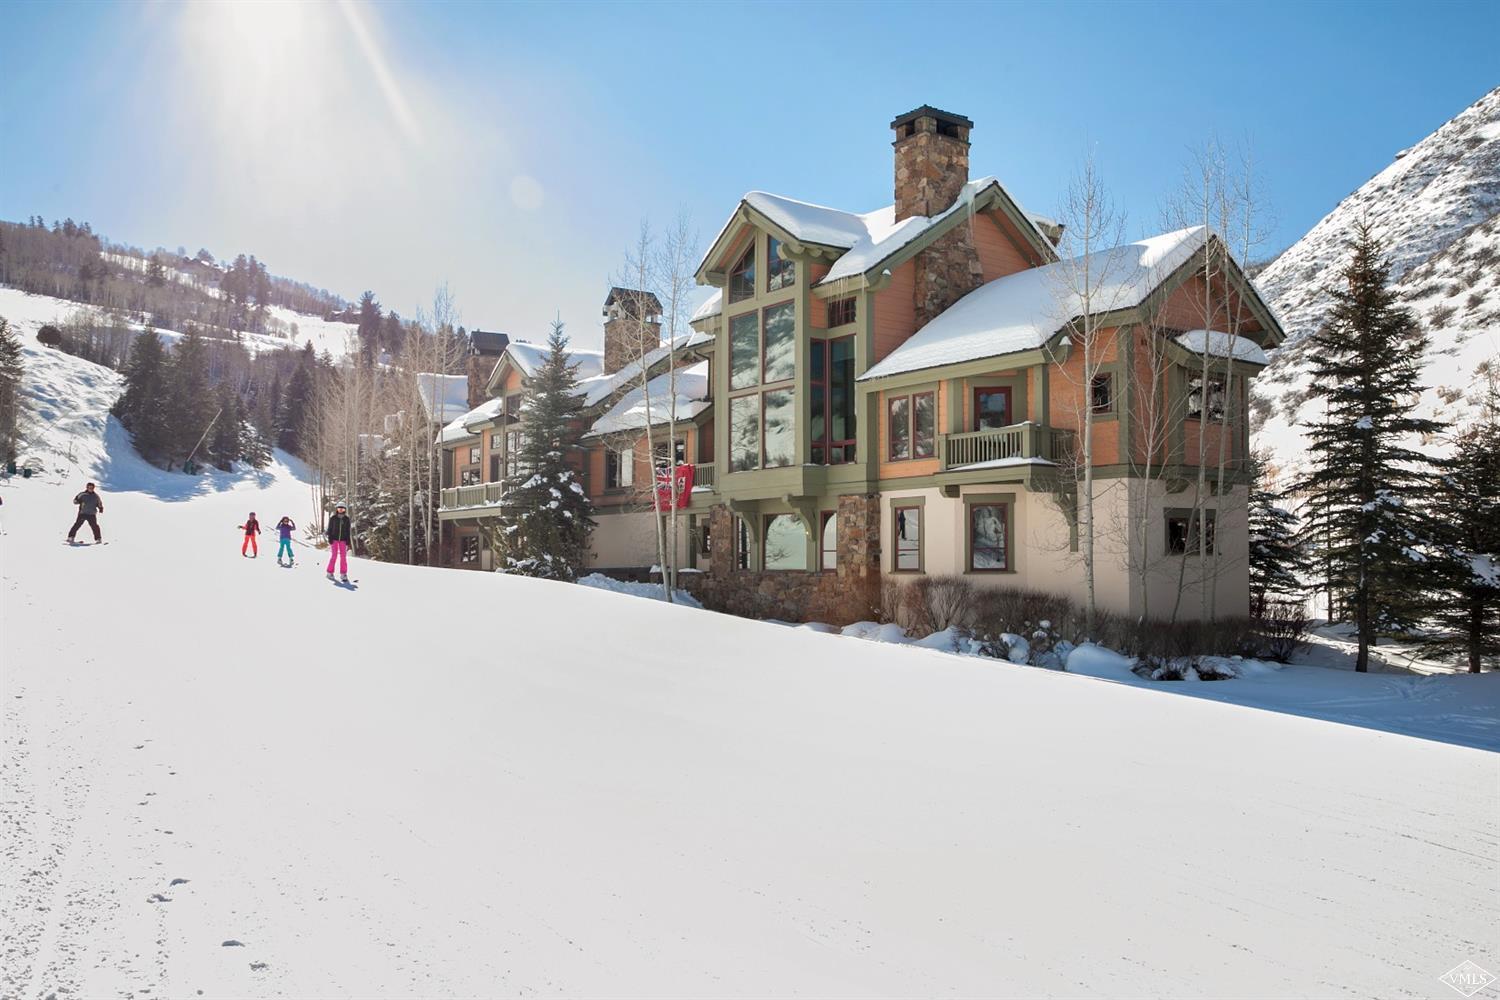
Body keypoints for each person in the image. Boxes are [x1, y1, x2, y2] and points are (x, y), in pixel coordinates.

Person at [325, 502, 352, 581]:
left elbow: (348, 530)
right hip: (334, 540)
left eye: (342, 509)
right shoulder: (333, 518)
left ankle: (343, 574)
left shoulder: (346, 519)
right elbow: (329, 528)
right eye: (339, 508)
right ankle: (330, 572)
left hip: (343, 540)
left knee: (343, 557)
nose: (340, 510)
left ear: (345, 510)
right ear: (337, 509)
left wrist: (348, 541)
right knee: (334, 556)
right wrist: (330, 538)